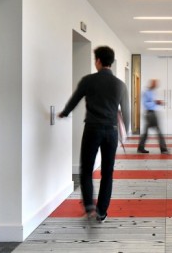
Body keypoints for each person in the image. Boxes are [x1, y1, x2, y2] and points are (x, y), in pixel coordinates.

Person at [58, 46, 129, 223]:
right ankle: (102, 212)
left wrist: (64, 113)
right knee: (107, 173)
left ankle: (89, 206)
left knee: (86, 170)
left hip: (92, 129)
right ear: (111, 62)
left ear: (98, 61)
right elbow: (126, 112)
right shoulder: (120, 85)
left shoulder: (88, 80)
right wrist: (124, 134)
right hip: (111, 132)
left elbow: (74, 100)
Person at [138, 79, 169, 154]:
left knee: (147, 132)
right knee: (158, 132)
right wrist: (155, 102)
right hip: (149, 114)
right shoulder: (146, 92)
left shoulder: (152, 92)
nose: (156, 86)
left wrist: (157, 102)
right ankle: (163, 149)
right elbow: (145, 104)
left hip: (152, 113)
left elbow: (152, 102)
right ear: (152, 84)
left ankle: (141, 148)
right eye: (155, 84)